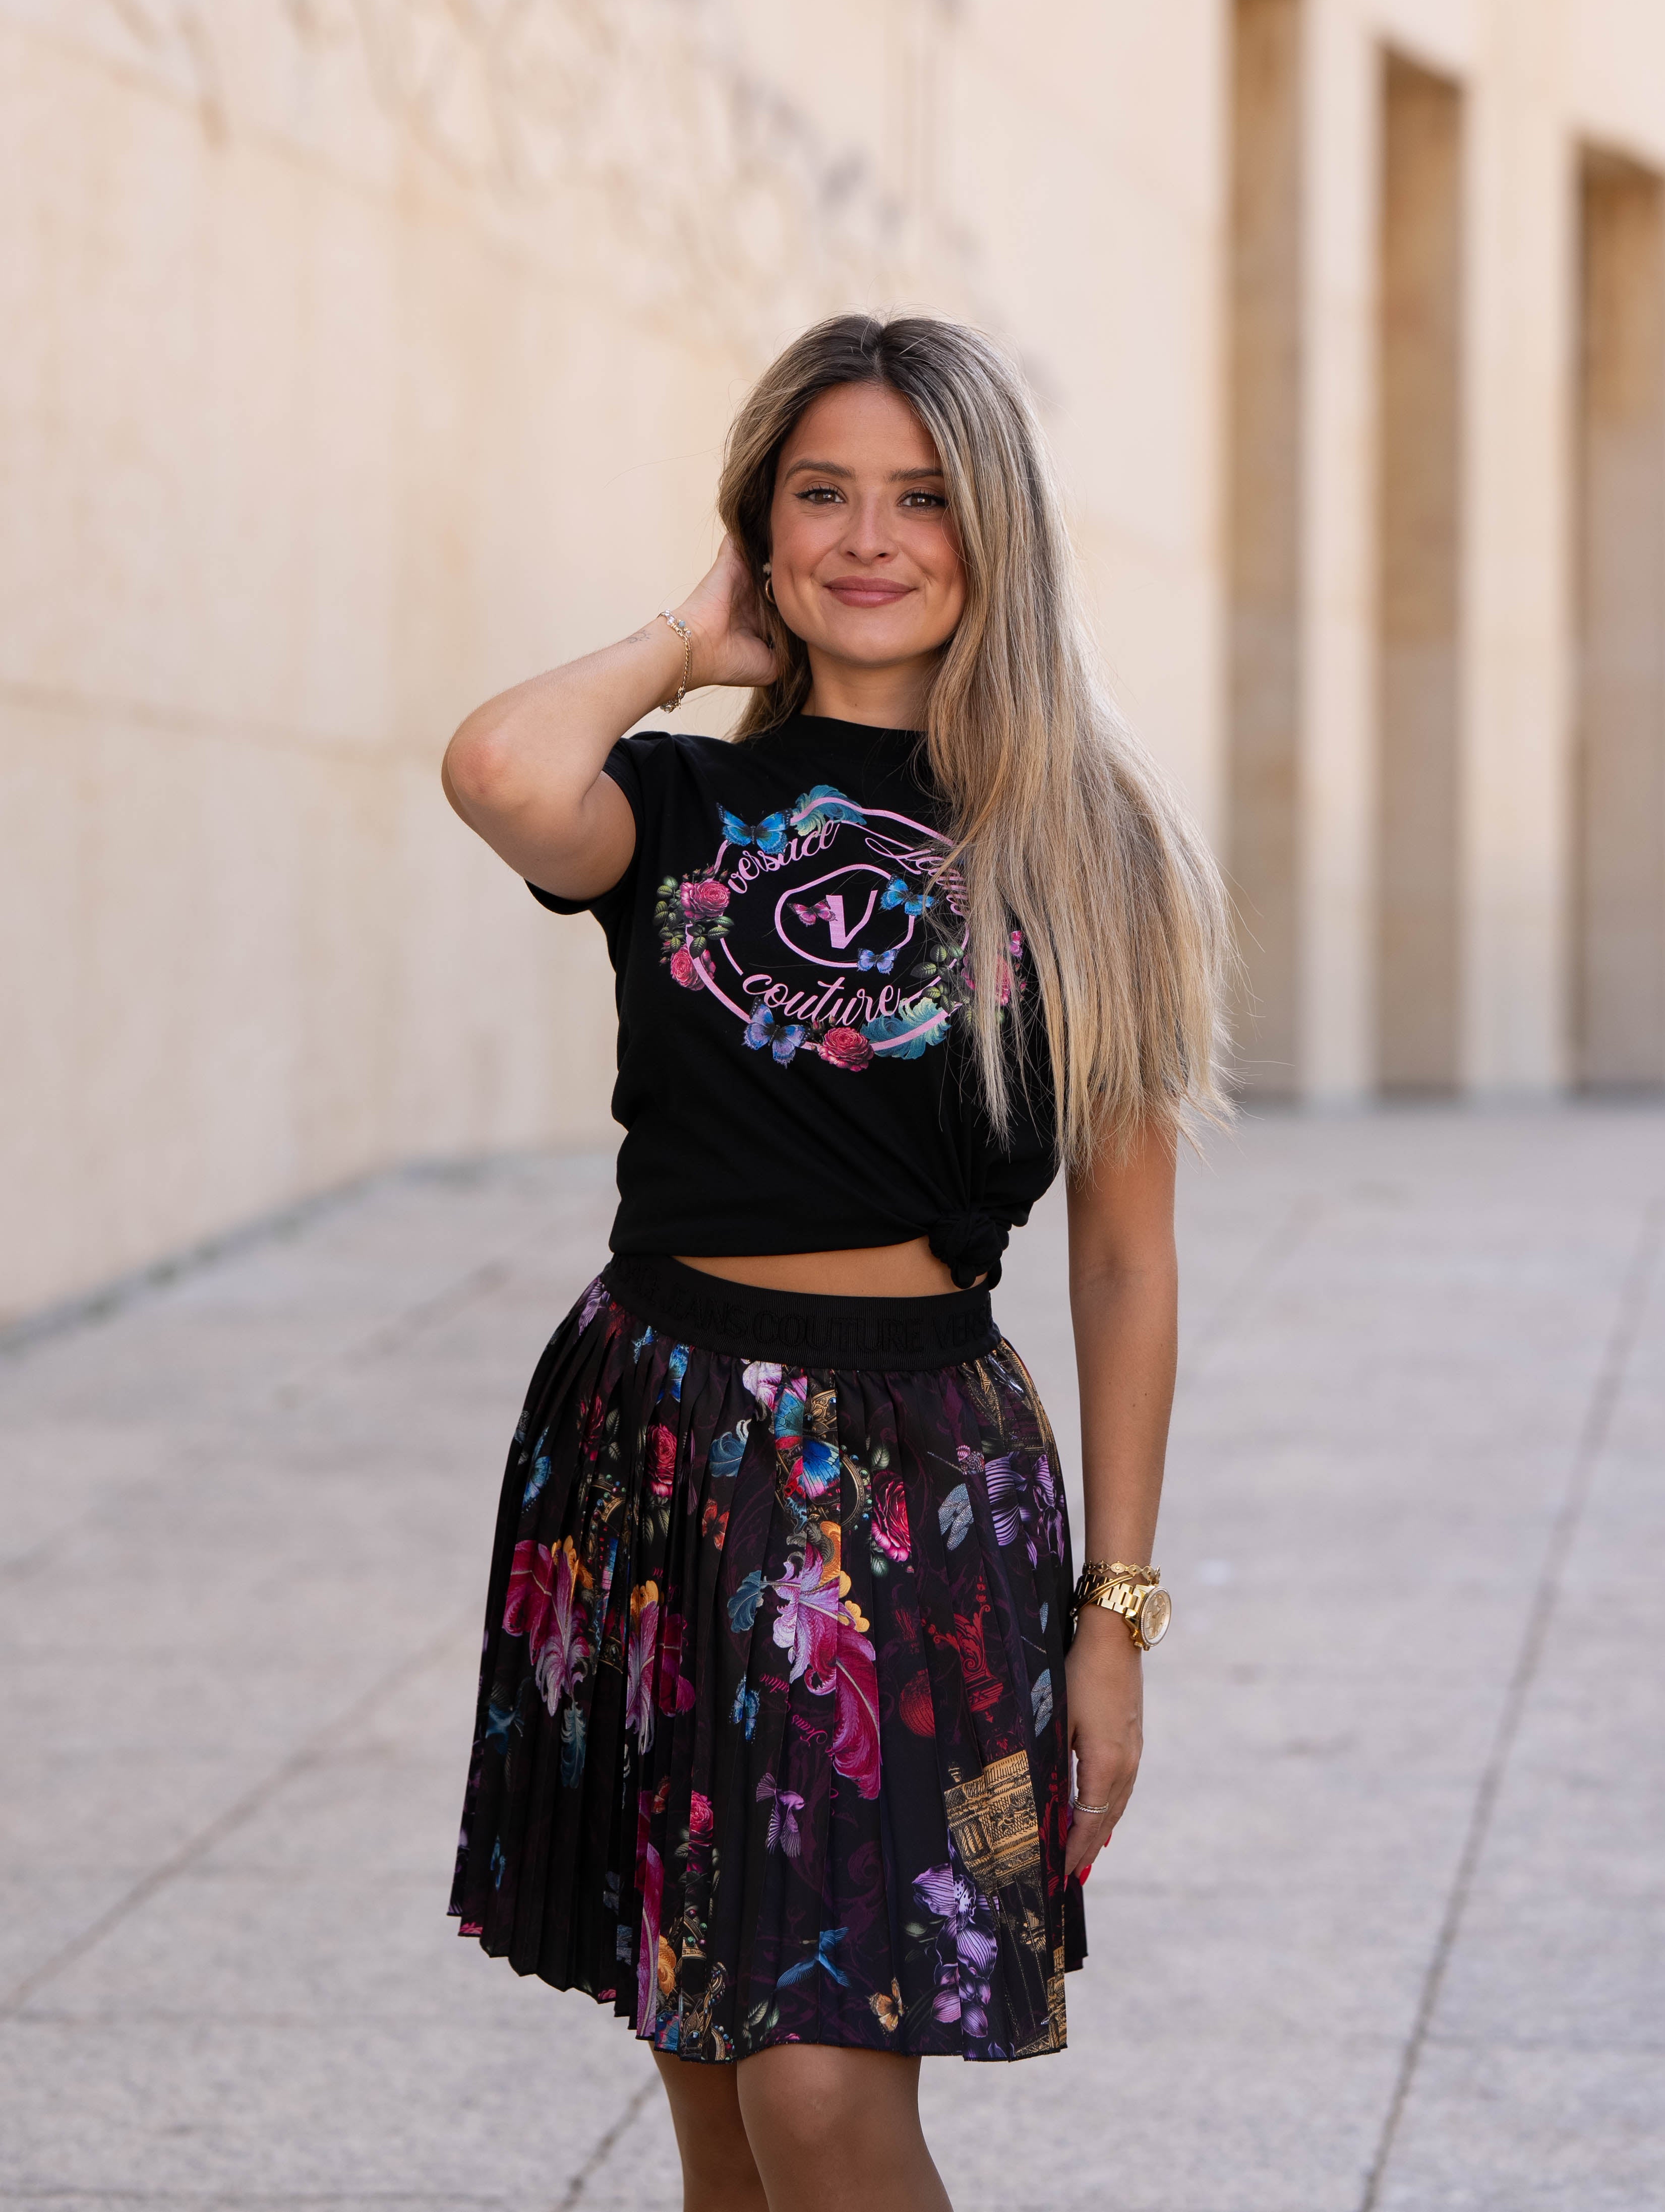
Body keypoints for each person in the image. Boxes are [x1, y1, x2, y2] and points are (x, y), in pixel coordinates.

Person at [441, 313, 1228, 2212]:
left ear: (995, 533)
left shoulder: (1087, 847)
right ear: (759, 529)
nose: (870, 539)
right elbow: (497, 766)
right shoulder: (678, 806)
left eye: (922, 497)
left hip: (911, 1484)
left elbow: (1124, 1263)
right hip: (657, 1446)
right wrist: (687, 640)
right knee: (713, 2080)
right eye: (822, 494)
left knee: (816, 2091)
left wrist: (1115, 1613)